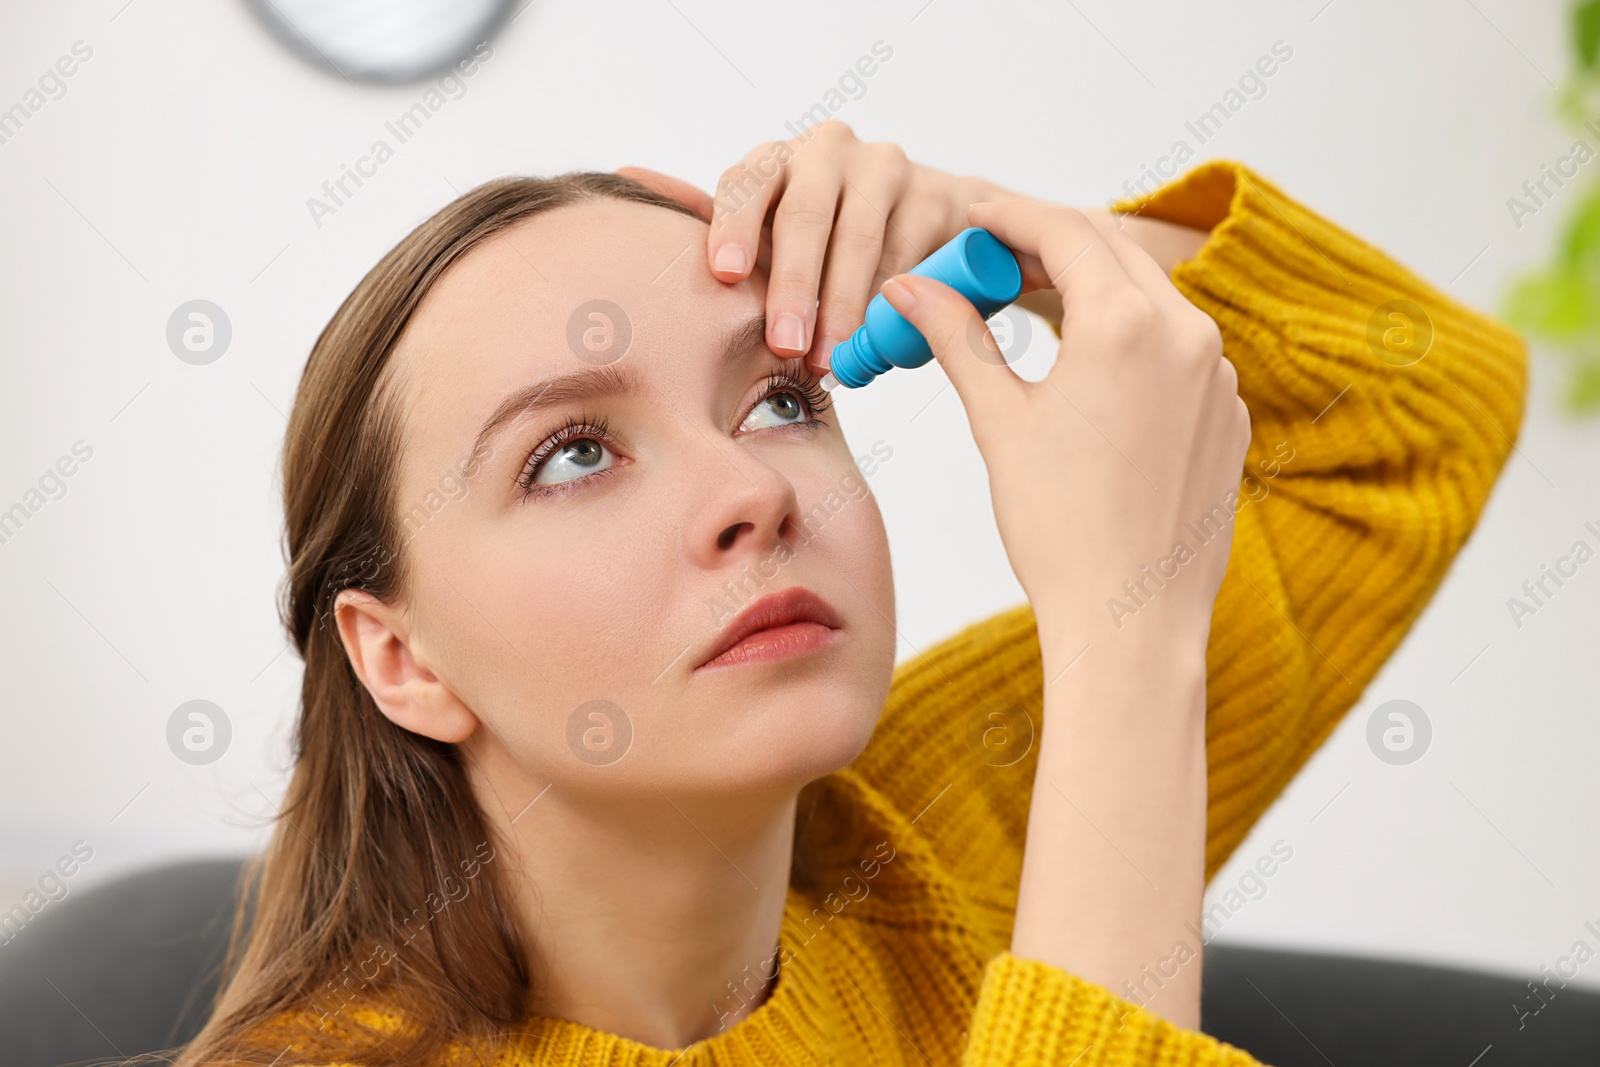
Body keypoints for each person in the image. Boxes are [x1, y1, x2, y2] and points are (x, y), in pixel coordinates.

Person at [164, 121, 1527, 1066]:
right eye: (573, 455)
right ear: (401, 659)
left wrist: (1015, 245)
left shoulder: (915, 842)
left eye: (776, 398)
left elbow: (1409, 415)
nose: (751, 493)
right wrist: (1124, 643)